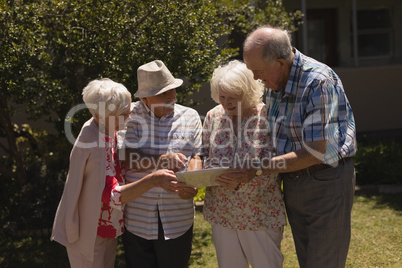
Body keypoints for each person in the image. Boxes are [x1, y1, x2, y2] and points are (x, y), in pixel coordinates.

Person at [232, 25, 356, 268]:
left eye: (257, 71)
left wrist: (257, 168)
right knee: (308, 260)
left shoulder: (317, 82)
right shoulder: (276, 82)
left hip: (326, 182)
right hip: (293, 181)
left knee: (324, 263)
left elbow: (315, 151)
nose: (256, 78)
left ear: (279, 62)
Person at [51, 78, 179, 268]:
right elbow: (112, 195)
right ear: (100, 114)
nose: (128, 118)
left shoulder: (106, 129)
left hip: (105, 227)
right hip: (88, 231)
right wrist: (154, 179)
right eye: (123, 114)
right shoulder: (91, 141)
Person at [202, 60, 287, 268]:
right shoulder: (213, 116)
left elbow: (284, 159)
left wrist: (256, 170)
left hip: (260, 212)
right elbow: (202, 154)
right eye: (222, 97)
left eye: (233, 98)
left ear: (249, 92)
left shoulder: (268, 115)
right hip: (222, 212)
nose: (226, 103)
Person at [119, 60, 203, 268]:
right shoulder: (129, 116)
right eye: (164, 93)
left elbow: (197, 157)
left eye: (172, 90)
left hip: (178, 217)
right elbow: (126, 157)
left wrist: (193, 184)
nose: (172, 97)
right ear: (145, 98)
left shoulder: (190, 116)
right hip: (138, 215)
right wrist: (160, 161)